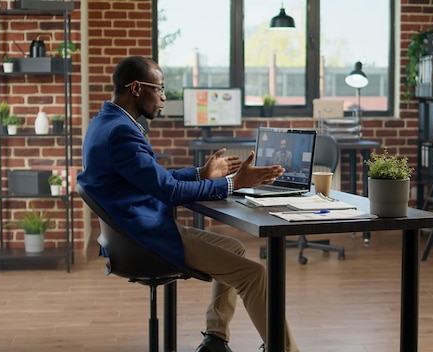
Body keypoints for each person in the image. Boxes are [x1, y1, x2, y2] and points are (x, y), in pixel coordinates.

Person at [77, 56, 300, 352]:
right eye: (159, 89)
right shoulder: (121, 132)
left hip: (134, 230)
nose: (163, 97)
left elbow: (151, 178)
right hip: (145, 238)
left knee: (234, 247)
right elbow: (168, 192)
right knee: (253, 274)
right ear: (135, 89)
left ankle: (215, 339)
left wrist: (201, 174)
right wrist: (236, 183)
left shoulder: (106, 122)